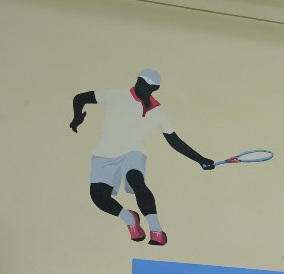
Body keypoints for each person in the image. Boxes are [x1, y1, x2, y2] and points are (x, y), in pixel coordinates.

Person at [69, 69, 214, 245]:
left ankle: (156, 230)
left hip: (133, 152)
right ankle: (129, 219)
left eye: (148, 86)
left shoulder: (158, 111)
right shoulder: (117, 95)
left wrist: (200, 160)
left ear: (155, 88)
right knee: (98, 196)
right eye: (141, 83)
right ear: (137, 80)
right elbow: (80, 98)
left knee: (135, 180)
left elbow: (174, 140)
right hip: (104, 153)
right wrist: (77, 117)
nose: (142, 87)